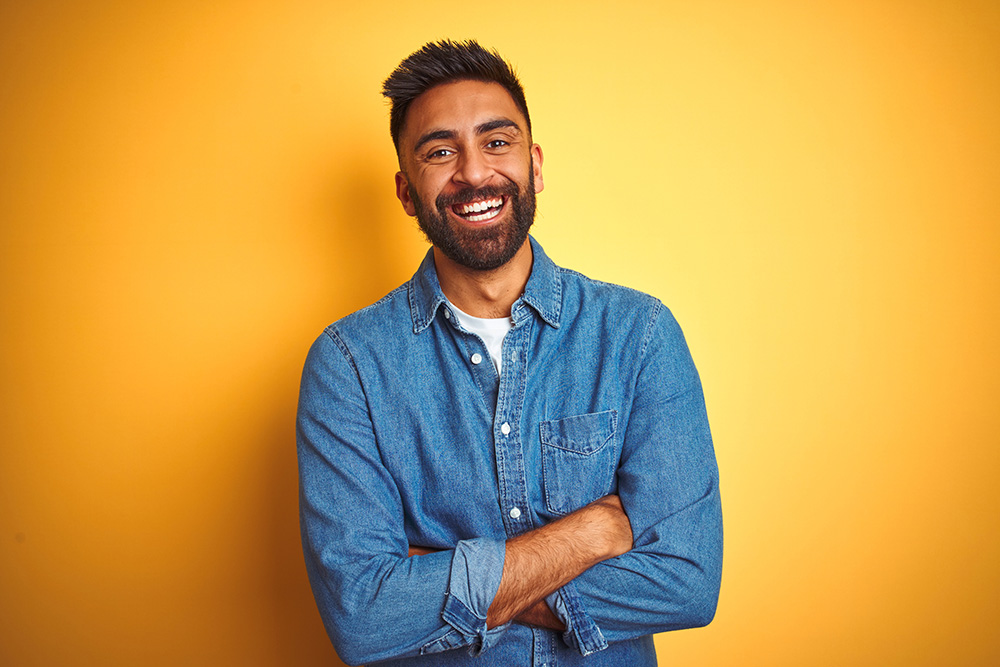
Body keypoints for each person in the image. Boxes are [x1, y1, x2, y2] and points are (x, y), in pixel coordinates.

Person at [296, 40, 722, 666]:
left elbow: (687, 581)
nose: (473, 172)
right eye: (440, 152)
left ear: (535, 165)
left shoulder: (640, 334)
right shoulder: (349, 366)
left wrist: (437, 578)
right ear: (407, 191)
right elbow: (363, 617)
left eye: (497, 142)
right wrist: (590, 532)